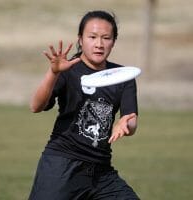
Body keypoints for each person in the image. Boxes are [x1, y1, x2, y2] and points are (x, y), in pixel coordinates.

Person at [28, 10, 140, 200]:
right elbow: (36, 106)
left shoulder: (122, 76)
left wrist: (125, 125)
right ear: (80, 39)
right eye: (92, 37)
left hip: (101, 170)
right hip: (62, 165)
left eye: (106, 38)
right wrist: (53, 73)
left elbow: (131, 121)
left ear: (113, 41)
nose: (99, 44)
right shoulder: (68, 69)